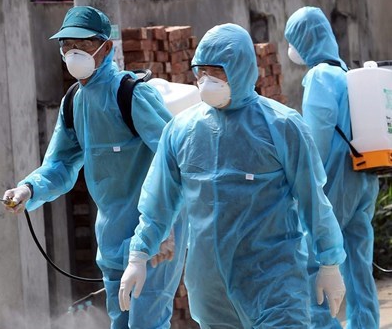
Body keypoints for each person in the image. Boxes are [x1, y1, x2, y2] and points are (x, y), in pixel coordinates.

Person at [119, 23, 347, 327]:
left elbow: (313, 202)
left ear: (240, 69)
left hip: (273, 286)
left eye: (218, 71)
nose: (207, 80)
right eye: (201, 71)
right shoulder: (182, 130)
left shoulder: (282, 127)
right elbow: (159, 200)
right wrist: (139, 253)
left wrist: (329, 261)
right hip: (210, 291)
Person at [2, 6, 187, 328]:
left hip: (154, 231)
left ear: (106, 47)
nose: (72, 53)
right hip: (113, 235)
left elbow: (175, 159)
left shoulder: (132, 95)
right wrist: (29, 189)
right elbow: (60, 164)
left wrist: (164, 231)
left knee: (147, 323)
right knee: (120, 321)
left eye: (83, 46)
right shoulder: (74, 101)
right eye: (66, 46)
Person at [285, 6, 380, 328]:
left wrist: (304, 185)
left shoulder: (320, 76)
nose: (290, 50)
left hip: (335, 182)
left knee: (317, 261)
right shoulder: (345, 72)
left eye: (293, 40)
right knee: (358, 265)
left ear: (304, 40)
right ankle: (364, 323)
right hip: (364, 177)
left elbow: (316, 136)